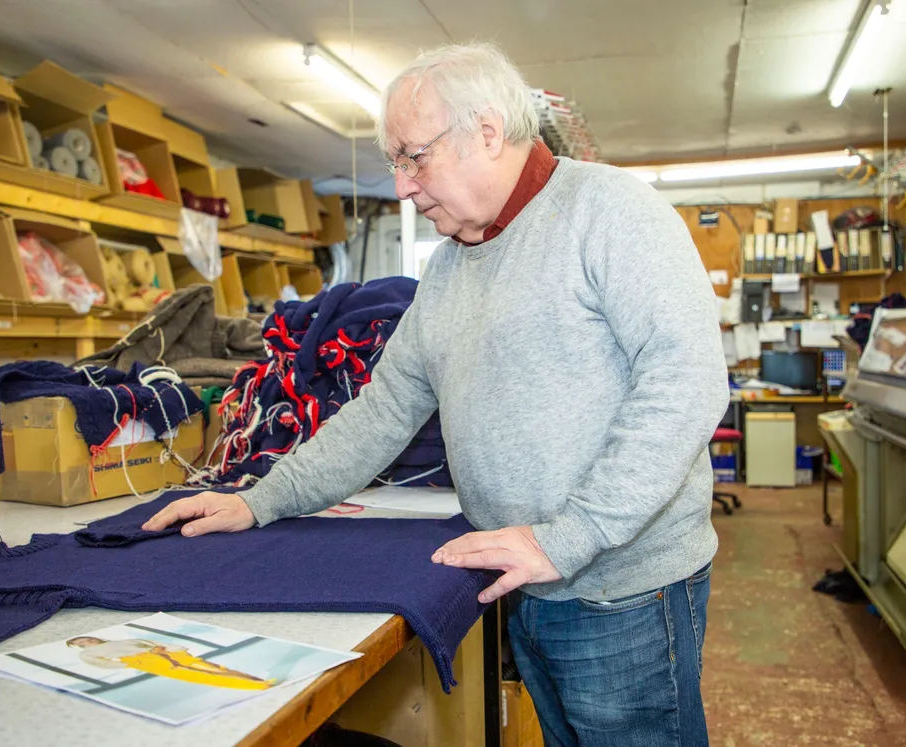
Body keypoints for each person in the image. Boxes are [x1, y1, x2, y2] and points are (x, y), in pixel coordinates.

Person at [144, 42, 728, 746]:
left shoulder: (611, 213)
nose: (400, 186)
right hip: (528, 581)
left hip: (624, 590)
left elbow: (687, 380)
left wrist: (569, 537)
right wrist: (258, 498)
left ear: (487, 131)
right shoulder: (451, 267)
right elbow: (383, 411)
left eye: (413, 157)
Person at [66, 636, 275, 690]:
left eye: (87, 638)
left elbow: (151, 642)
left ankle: (255, 679)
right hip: (142, 660)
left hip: (160, 651)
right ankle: (253, 685)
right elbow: (102, 664)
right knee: (195, 675)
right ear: (79, 646)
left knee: (212, 667)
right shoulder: (89, 654)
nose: (88, 641)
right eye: (82, 642)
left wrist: (173, 648)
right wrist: (127, 664)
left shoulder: (118, 641)